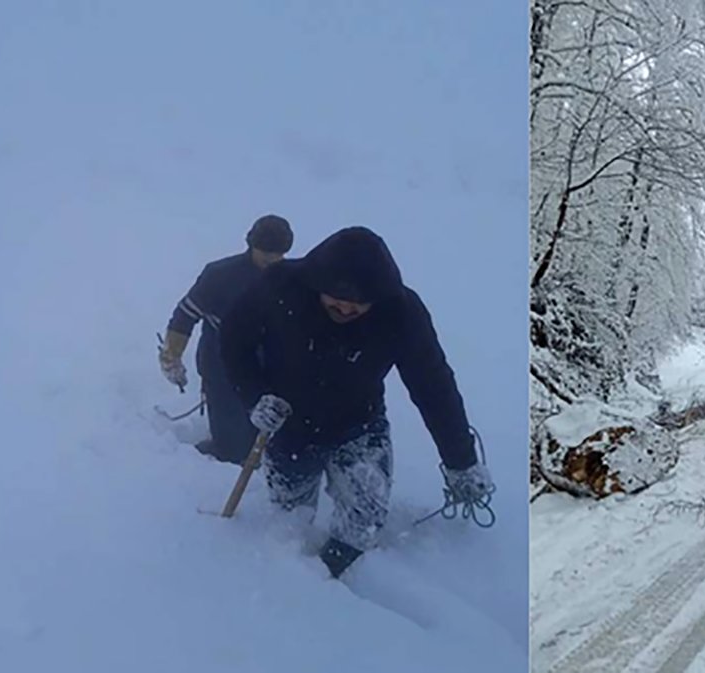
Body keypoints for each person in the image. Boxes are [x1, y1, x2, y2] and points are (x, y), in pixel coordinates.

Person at [219, 226, 494, 579]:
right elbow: (233, 340)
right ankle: (289, 575)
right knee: (291, 515)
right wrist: (254, 397)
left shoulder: (402, 313)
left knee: (366, 508)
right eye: (335, 297)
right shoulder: (280, 286)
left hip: (358, 423)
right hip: (287, 425)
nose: (346, 307)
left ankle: (334, 578)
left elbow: (433, 385)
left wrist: (461, 461)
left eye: (359, 303)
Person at [158, 214, 295, 464]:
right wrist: (171, 356)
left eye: (277, 253)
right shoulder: (219, 275)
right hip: (221, 368)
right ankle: (219, 462)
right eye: (264, 251)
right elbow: (185, 316)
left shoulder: (292, 278)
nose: (270, 258)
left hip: (269, 369)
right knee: (231, 443)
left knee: (268, 436)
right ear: (251, 245)